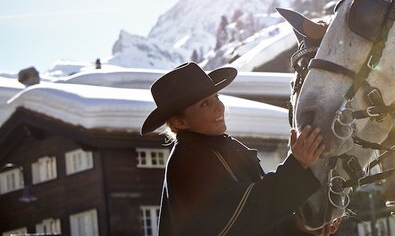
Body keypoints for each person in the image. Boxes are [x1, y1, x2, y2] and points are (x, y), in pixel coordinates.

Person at [140, 62, 340, 236]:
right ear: (180, 121)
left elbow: (257, 222)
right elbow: (240, 216)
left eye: (216, 97)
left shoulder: (221, 148)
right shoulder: (188, 161)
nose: (219, 107)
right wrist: (296, 166)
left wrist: (300, 229)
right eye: (205, 104)